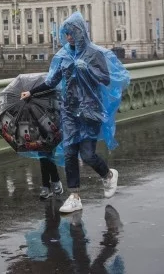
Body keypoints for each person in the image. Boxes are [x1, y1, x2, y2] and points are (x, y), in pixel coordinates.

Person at [21, 11, 130, 213]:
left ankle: (108, 175)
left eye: (71, 33)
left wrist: (87, 69)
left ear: (81, 32)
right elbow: (52, 81)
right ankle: (74, 196)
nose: (68, 37)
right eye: (66, 33)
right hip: (69, 110)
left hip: (90, 110)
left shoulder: (95, 54)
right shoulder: (62, 56)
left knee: (88, 155)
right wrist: (32, 92)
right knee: (70, 152)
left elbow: (106, 79)